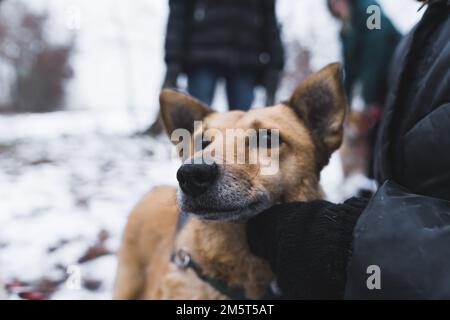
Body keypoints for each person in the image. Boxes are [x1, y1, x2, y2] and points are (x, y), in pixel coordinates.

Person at [246, 0, 450, 299]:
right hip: (395, 99)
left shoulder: (370, 12)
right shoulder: (425, 25)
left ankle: (362, 179)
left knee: (365, 141)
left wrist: (350, 245)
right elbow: (352, 65)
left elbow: (376, 50)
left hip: (379, 93)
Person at [146, 0, 285, 135]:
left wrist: (276, 62)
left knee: (244, 125)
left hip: (245, 58)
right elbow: (178, 15)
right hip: (202, 56)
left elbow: (270, 20)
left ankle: (239, 158)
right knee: (197, 122)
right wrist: (173, 60)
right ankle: (194, 155)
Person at [327, 0, 402, 178]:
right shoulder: (346, 29)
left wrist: (370, 98)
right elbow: (350, 70)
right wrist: (344, 103)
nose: (336, 5)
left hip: (393, 76)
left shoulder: (371, 9)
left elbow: (376, 46)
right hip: (375, 87)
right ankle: (369, 177)